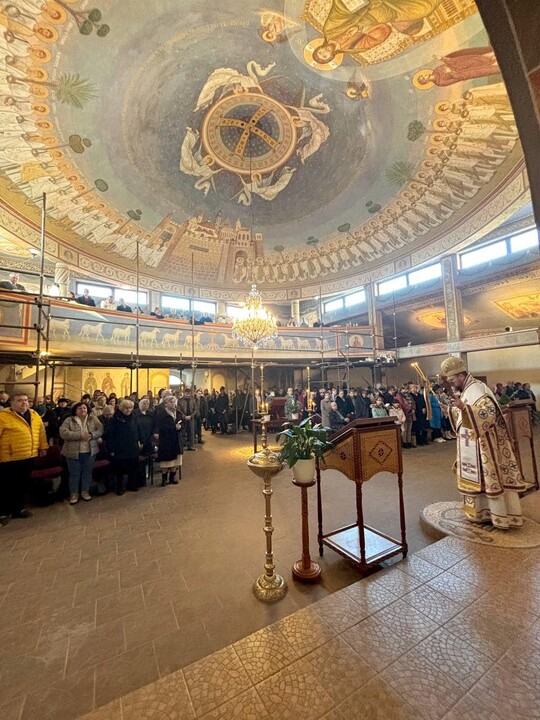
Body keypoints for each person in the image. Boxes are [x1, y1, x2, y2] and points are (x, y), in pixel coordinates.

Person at [441, 356, 525, 529]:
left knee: (488, 478)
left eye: (452, 380)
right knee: (478, 479)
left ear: (461, 376)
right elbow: (463, 416)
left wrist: (463, 408)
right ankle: (480, 513)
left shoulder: (478, 389)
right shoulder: (466, 390)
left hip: (486, 444)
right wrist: (451, 409)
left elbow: (488, 414)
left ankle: (499, 515)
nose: (451, 384)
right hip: (472, 444)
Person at [0, 393, 48, 525]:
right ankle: (4, 512)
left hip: (28, 455)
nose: (24, 403)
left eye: (26, 400)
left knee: (23, 485)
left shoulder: (34, 415)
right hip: (10, 457)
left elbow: (41, 432)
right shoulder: (3, 416)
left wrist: (43, 446)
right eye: (20, 401)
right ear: (12, 403)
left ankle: (19, 508)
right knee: (7, 486)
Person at [59, 402, 103, 504]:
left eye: (84, 408)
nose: (83, 410)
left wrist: (92, 435)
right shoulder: (69, 420)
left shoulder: (93, 419)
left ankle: (85, 491)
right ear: (75, 410)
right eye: (80, 408)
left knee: (87, 472)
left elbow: (100, 429)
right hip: (73, 452)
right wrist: (79, 436)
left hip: (90, 451)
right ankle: (74, 493)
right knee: (74, 474)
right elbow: (63, 433)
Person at [105, 399, 141, 495]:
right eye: (126, 408)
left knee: (133, 467)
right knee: (120, 469)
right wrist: (111, 449)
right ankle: (119, 487)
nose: (128, 410)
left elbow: (138, 429)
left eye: (130, 408)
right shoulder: (115, 419)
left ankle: (132, 485)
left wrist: (141, 440)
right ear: (121, 408)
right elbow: (110, 435)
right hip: (120, 447)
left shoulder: (134, 417)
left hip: (132, 446)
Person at [153, 395, 183, 486]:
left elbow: (182, 423)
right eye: (171, 402)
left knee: (175, 460)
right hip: (166, 439)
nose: (173, 404)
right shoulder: (161, 414)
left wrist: (180, 427)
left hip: (176, 439)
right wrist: (173, 427)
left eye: (174, 402)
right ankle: (164, 479)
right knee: (166, 461)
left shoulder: (178, 413)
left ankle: (172, 477)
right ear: (165, 404)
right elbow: (158, 426)